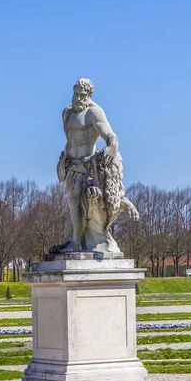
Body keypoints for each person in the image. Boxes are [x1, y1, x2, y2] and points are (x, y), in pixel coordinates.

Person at [51, 78, 139, 254]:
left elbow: (109, 135)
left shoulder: (94, 113)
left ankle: (77, 242)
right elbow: (70, 141)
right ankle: (74, 240)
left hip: (88, 166)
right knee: (73, 203)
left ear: (89, 95)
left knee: (85, 203)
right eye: (75, 94)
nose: (77, 98)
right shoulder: (66, 114)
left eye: (82, 95)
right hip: (69, 165)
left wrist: (112, 147)